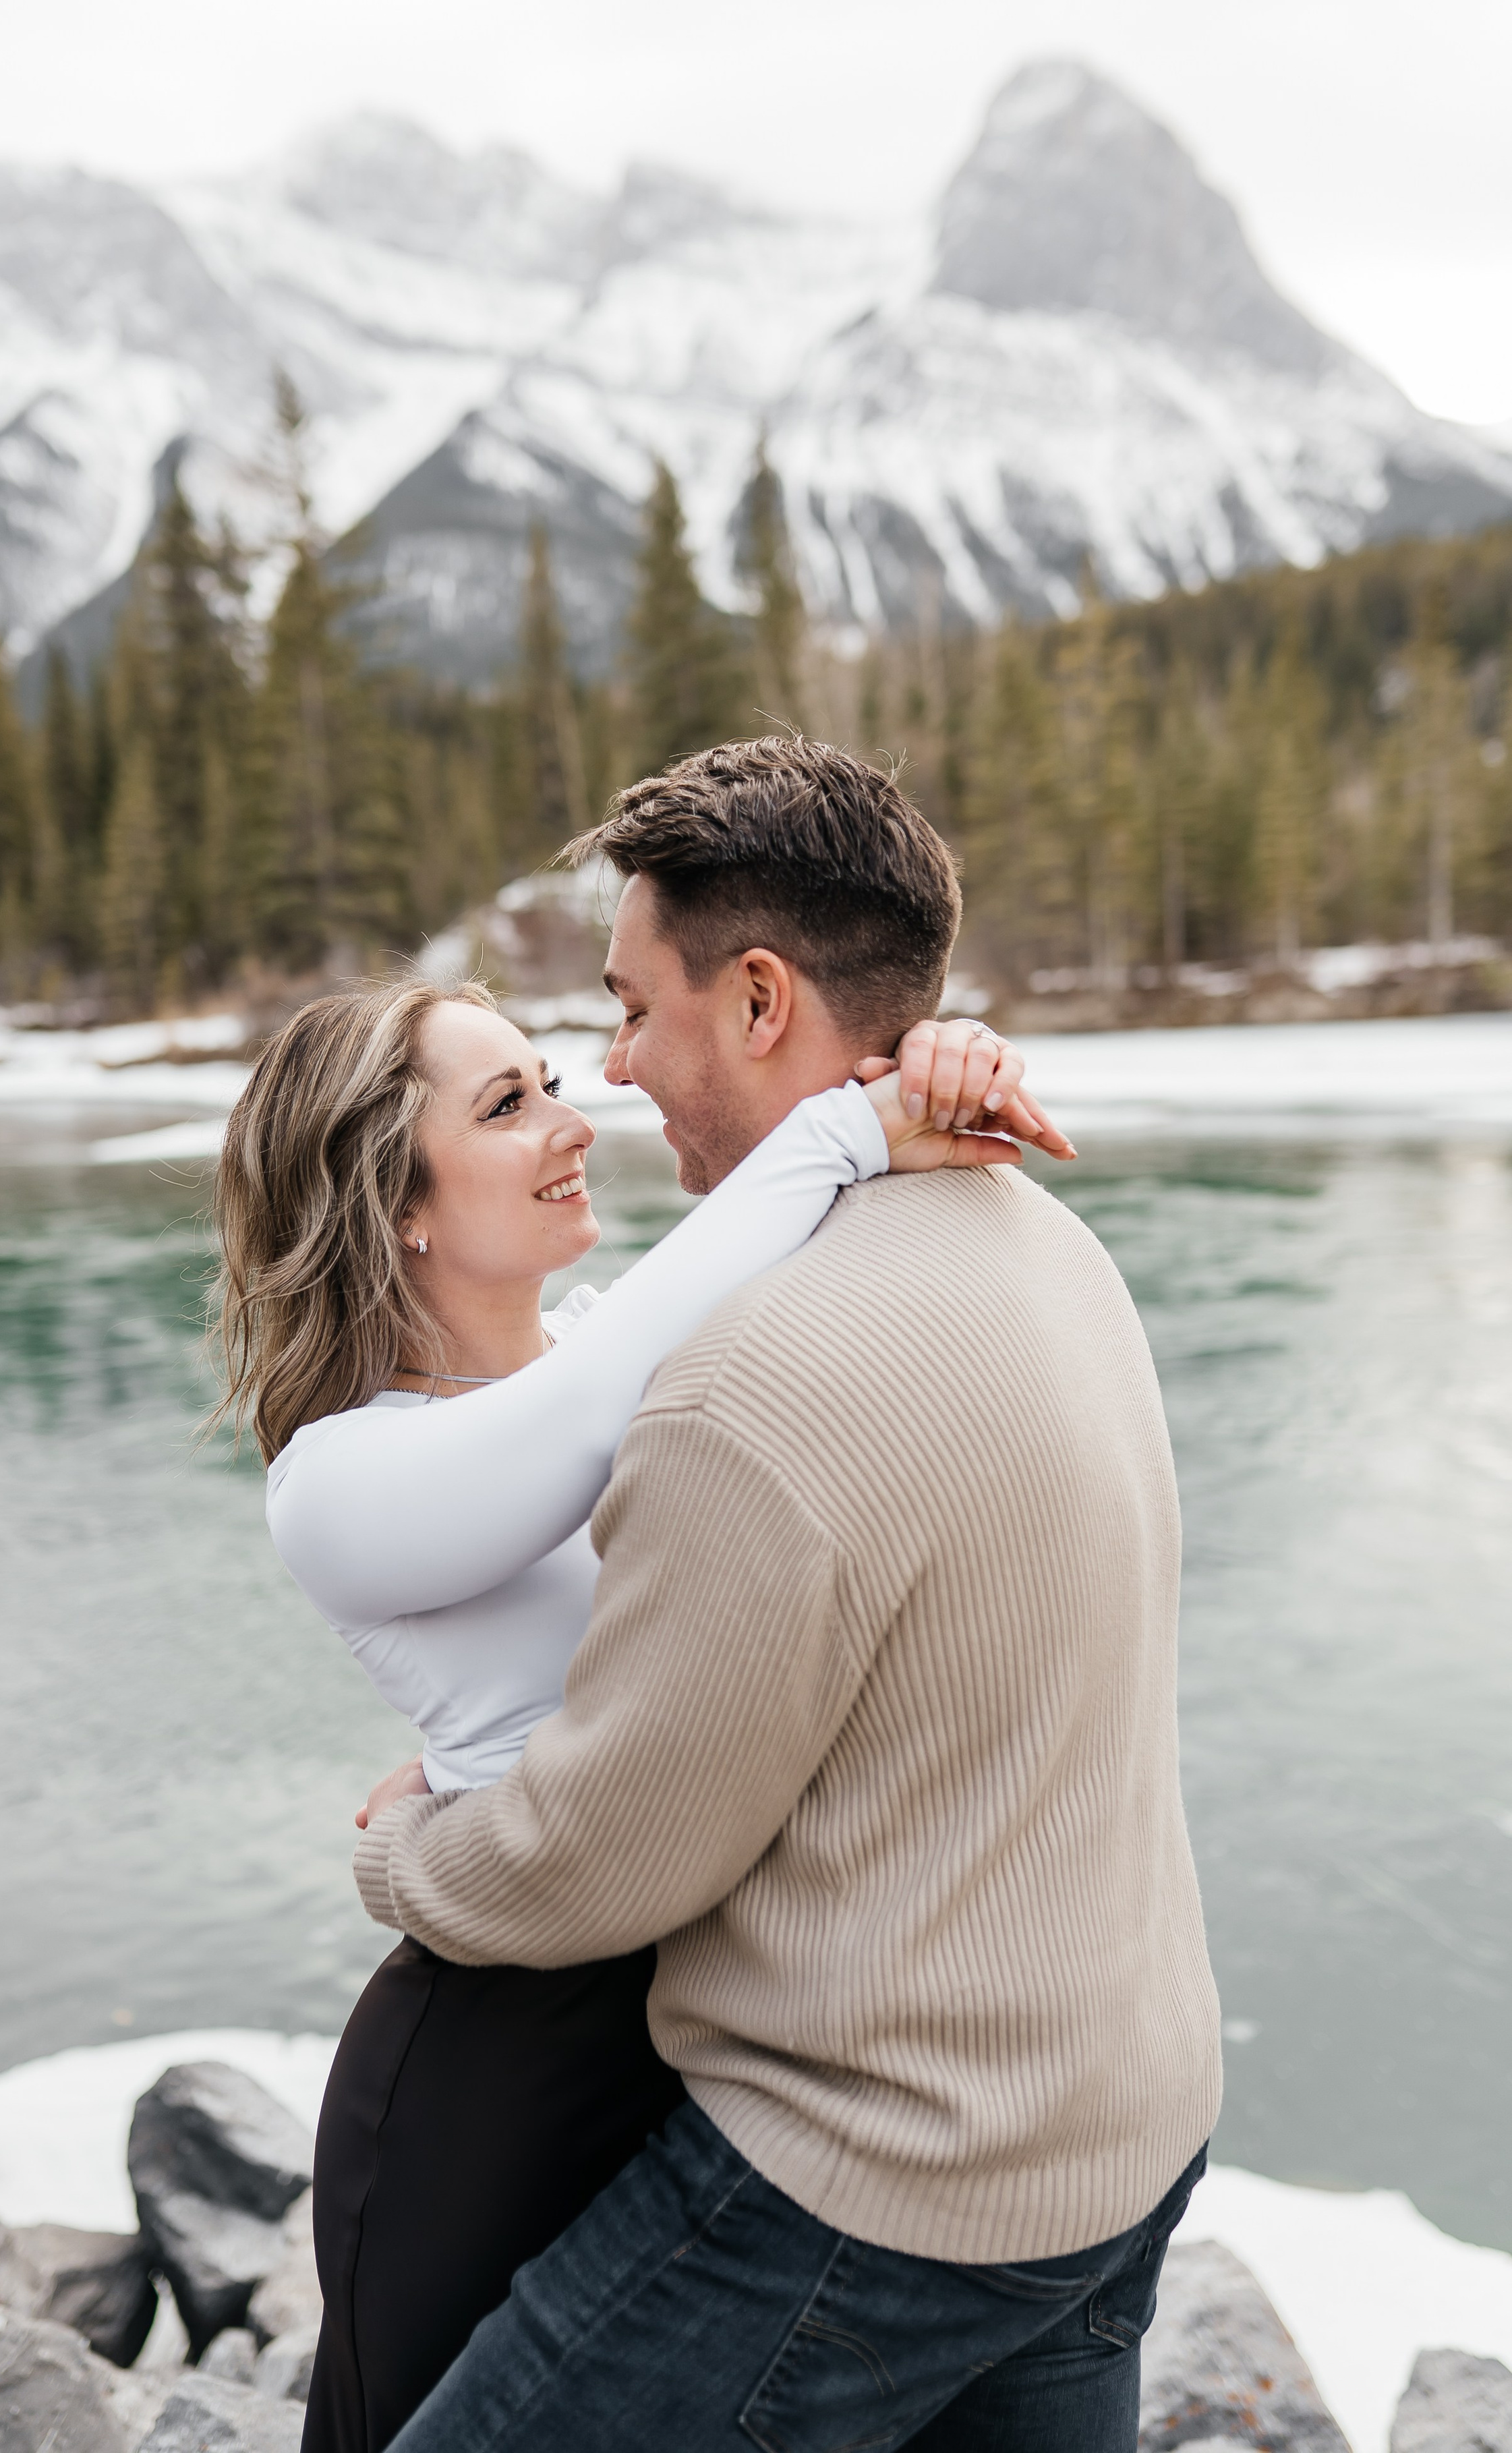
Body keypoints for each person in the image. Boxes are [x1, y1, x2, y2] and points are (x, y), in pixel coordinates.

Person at [352, 736, 1223, 2453]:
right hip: (1124, 2134)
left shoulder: (748, 1388)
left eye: (628, 1006)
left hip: (874, 2194)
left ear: (758, 1003)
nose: (608, 1068)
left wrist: (401, 1855)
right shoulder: (1048, 1238)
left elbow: (601, 1859)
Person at [212, 930, 1068, 2453]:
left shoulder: (623, 1334)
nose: (570, 1123)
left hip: (728, 2044)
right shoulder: (339, 1479)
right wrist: (833, 1128)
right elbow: (592, 1420)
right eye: (503, 1109)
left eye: (550, 1081)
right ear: (389, 1203)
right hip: (508, 2068)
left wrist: (932, 1069)